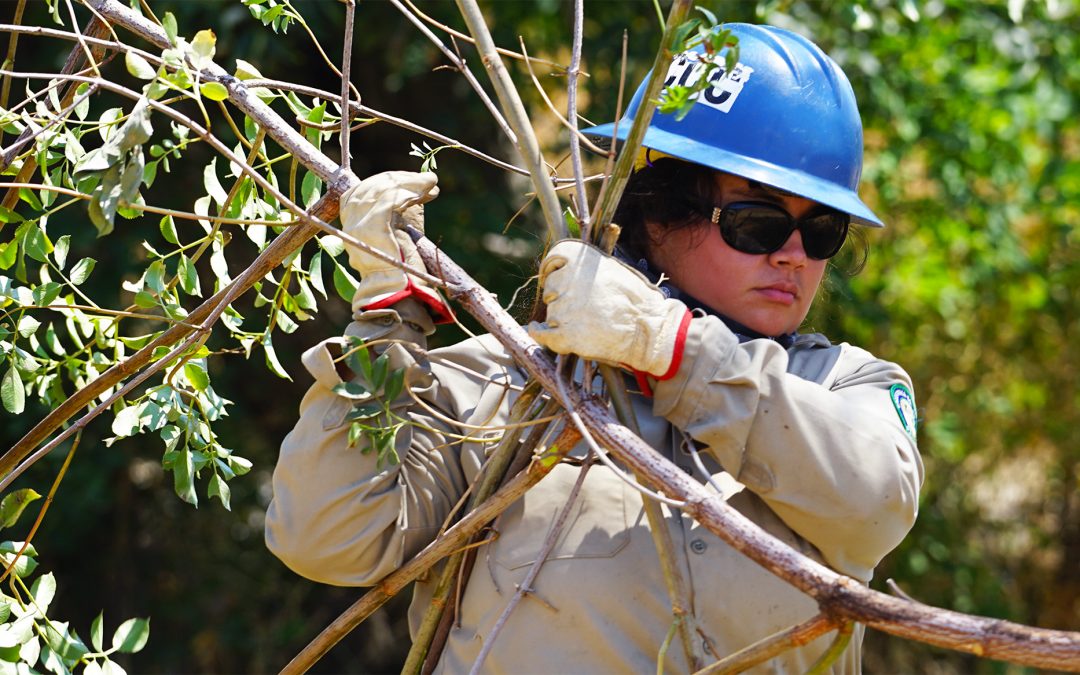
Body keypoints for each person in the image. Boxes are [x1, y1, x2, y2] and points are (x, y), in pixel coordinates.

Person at [265, 22, 924, 674]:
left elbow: (877, 501)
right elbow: (328, 539)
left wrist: (674, 349)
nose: (793, 254)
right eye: (761, 223)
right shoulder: (507, 387)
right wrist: (386, 324)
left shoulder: (844, 386)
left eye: (823, 231)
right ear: (659, 213)